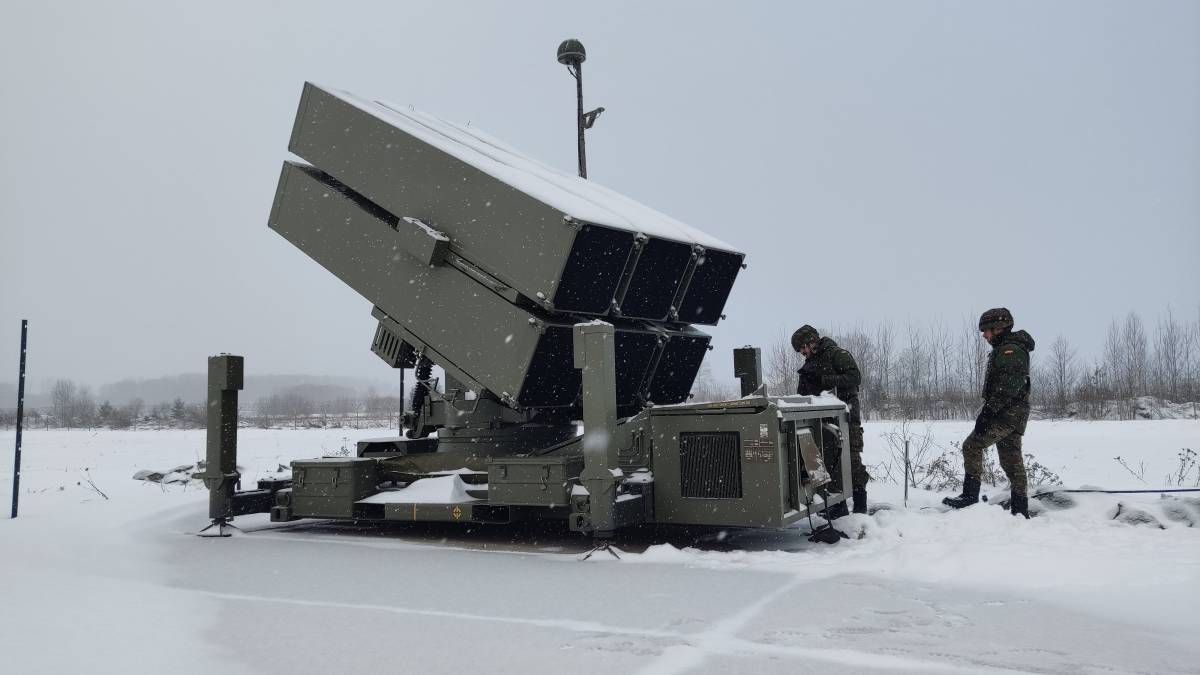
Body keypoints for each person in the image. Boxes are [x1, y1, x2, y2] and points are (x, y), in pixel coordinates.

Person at [943, 308, 1035, 518]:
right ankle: (1020, 511)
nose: (984, 335)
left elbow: (1008, 387)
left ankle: (970, 497)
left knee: (972, 445)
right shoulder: (1008, 348)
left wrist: (987, 413)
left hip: (1007, 413)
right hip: (1014, 413)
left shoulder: (1010, 350)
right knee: (1011, 461)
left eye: (987, 330)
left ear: (1000, 328)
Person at [792, 325, 869, 516]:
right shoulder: (809, 364)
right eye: (800, 350)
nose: (803, 352)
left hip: (845, 416)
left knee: (850, 459)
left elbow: (854, 377)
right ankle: (837, 506)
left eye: (803, 347)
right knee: (828, 462)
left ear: (812, 341)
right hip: (821, 420)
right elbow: (802, 394)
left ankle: (860, 508)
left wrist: (825, 380)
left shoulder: (837, 354)